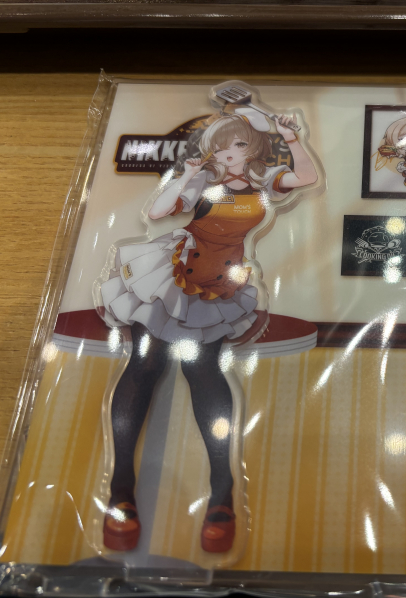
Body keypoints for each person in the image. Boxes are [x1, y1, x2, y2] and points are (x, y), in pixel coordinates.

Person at [98, 107, 318, 553]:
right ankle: (120, 490)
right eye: (219, 146)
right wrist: (186, 176)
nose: (228, 153)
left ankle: (221, 496)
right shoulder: (202, 182)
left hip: (219, 283)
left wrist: (292, 138)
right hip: (174, 273)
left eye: (236, 144)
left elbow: (308, 178)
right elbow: (157, 211)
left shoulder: (265, 181)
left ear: (252, 146)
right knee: (145, 364)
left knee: (203, 372)